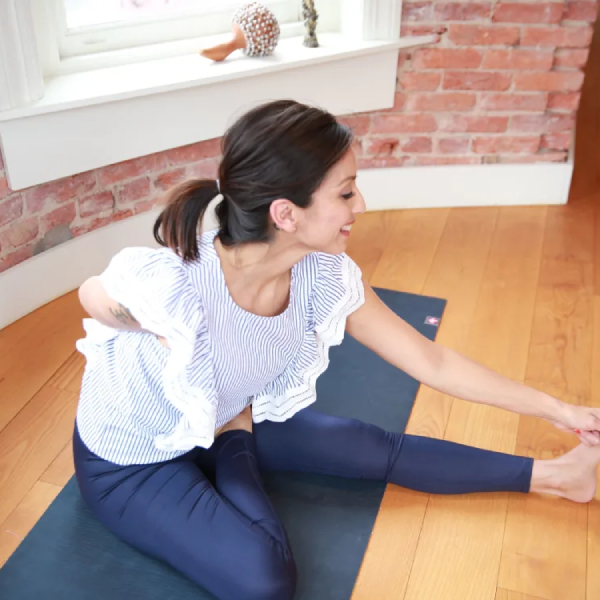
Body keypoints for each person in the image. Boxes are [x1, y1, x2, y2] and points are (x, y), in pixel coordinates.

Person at [74, 99, 600, 600]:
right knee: (264, 582)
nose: (362, 206)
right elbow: (93, 295)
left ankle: (560, 477)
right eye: (346, 193)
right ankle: (237, 447)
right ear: (286, 214)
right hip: (132, 457)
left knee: (369, 446)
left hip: (221, 412)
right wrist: (156, 325)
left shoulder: (322, 276)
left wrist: (560, 410)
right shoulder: (176, 282)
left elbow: (432, 361)